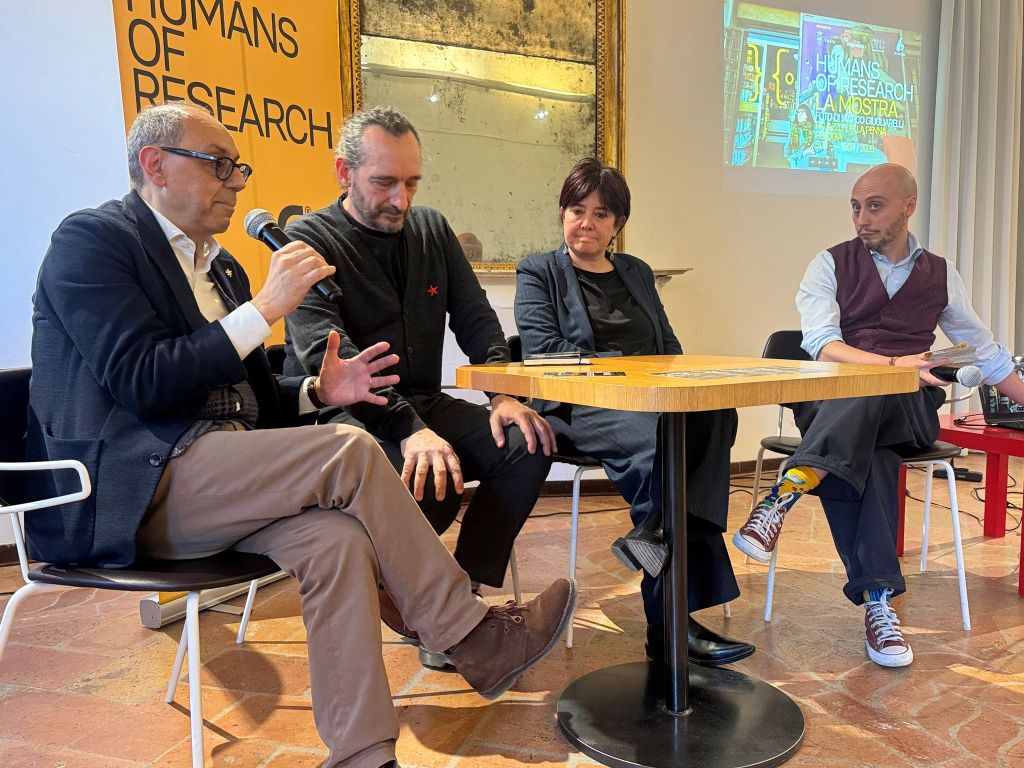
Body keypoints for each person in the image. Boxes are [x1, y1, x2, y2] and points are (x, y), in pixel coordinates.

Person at [27, 102, 575, 768]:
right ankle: (470, 634)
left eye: (238, 168)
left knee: (337, 541)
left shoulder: (220, 267)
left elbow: (257, 400)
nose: (235, 182)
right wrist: (265, 310)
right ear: (155, 164)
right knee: (348, 449)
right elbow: (142, 382)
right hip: (130, 491)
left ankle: (363, 754)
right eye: (219, 165)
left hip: (222, 480)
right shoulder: (93, 242)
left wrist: (321, 391)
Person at [283, 106, 557, 666]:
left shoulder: (432, 230)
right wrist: (412, 431)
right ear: (344, 172)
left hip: (422, 404)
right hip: (347, 417)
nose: (400, 200)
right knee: (425, 470)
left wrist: (503, 395)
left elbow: (479, 322)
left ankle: (461, 597)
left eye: (411, 183)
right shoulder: (308, 241)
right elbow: (340, 371)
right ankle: (431, 614)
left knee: (527, 441)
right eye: (384, 183)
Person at [732, 163, 1024, 668]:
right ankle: (878, 603)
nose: (861, 217)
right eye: (855, 205)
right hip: (834, 402)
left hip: (909, 409)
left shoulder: (940, 272)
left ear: (908, 206)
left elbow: (985, 352)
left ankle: (789, 488)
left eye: (875, 205)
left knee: (874, 406)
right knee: (874, 453)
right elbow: (823, 346)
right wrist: (891, 366)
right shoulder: (828, 264)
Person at [514, 158, 753, 666]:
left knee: (717, 414)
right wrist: (628, 370)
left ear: (617, 224)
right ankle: (670, 626)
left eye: (601, 214)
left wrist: (681, 383)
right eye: (577, 210)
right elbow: (542, 350)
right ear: (561, 214)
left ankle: (653, 535)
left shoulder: (637, 272)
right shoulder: (539, 271)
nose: (587, 223)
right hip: (580, 405)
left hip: (650, 401)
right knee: (659, 447)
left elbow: (667, 344)